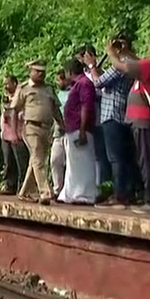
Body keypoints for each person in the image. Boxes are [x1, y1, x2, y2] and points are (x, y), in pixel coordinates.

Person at [106, 33, 150, 215]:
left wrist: (112, 53)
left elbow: (124, 68)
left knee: (147, 160)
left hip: (144, 120)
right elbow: (140, 63)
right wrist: (127, 52)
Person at [80, 45, 136, 208]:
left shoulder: (122, 63)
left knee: (115, 158)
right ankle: (127, 192)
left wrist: (92, 66)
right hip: (124, 113)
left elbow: (98, 82)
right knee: (124, 157)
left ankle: (119, 195)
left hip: (111, 114)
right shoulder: (133, 63)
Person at [12, 60, 64, 205]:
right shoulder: (24, 88)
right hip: (30, 128)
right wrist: (15, 130)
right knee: (38, 159)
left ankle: (24, 192)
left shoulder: (48, 89)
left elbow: (55, 109)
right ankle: (45, 192)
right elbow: (14, 110)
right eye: (38, 71)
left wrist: (61, 124)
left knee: (36, 161)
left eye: (43, 72)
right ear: (31, 72)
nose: (41, 74)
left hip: (46, 129)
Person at [58, 58, 98, 204]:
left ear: (69, 72)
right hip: (72, 128)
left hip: (80, 128)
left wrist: (82, 128)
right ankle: (70, 193)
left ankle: (84, 194)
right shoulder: (78, 85)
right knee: (74, 164)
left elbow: (86, 107)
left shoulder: (84, 84)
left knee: (83, 163)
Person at [78, 45, 113, 189]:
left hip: (98, 120)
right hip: (81, 122)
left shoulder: (100, 74)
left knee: (100, 156)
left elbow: (101, 90)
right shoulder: (80, 77)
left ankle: (102, 187)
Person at [0, 75, 28, 195]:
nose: (6, 86)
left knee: (21, 163)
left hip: (18, 135)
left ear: (15, 84)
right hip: (6, 135)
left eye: (8, 83)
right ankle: (10, 186)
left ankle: (23, 188)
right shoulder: (6, 99)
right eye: (4, 84)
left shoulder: (21, 98)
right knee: (8, 162)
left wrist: (18, 133)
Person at [50, 70, 70, 198]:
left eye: (61, 79)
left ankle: (67, 191)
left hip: (70, 132)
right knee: (55, 160)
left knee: (70, 163)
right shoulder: (57, 95)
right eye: (58, 80)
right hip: (57, 133)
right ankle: (57, 189)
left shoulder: (72, 93)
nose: (59, 82)